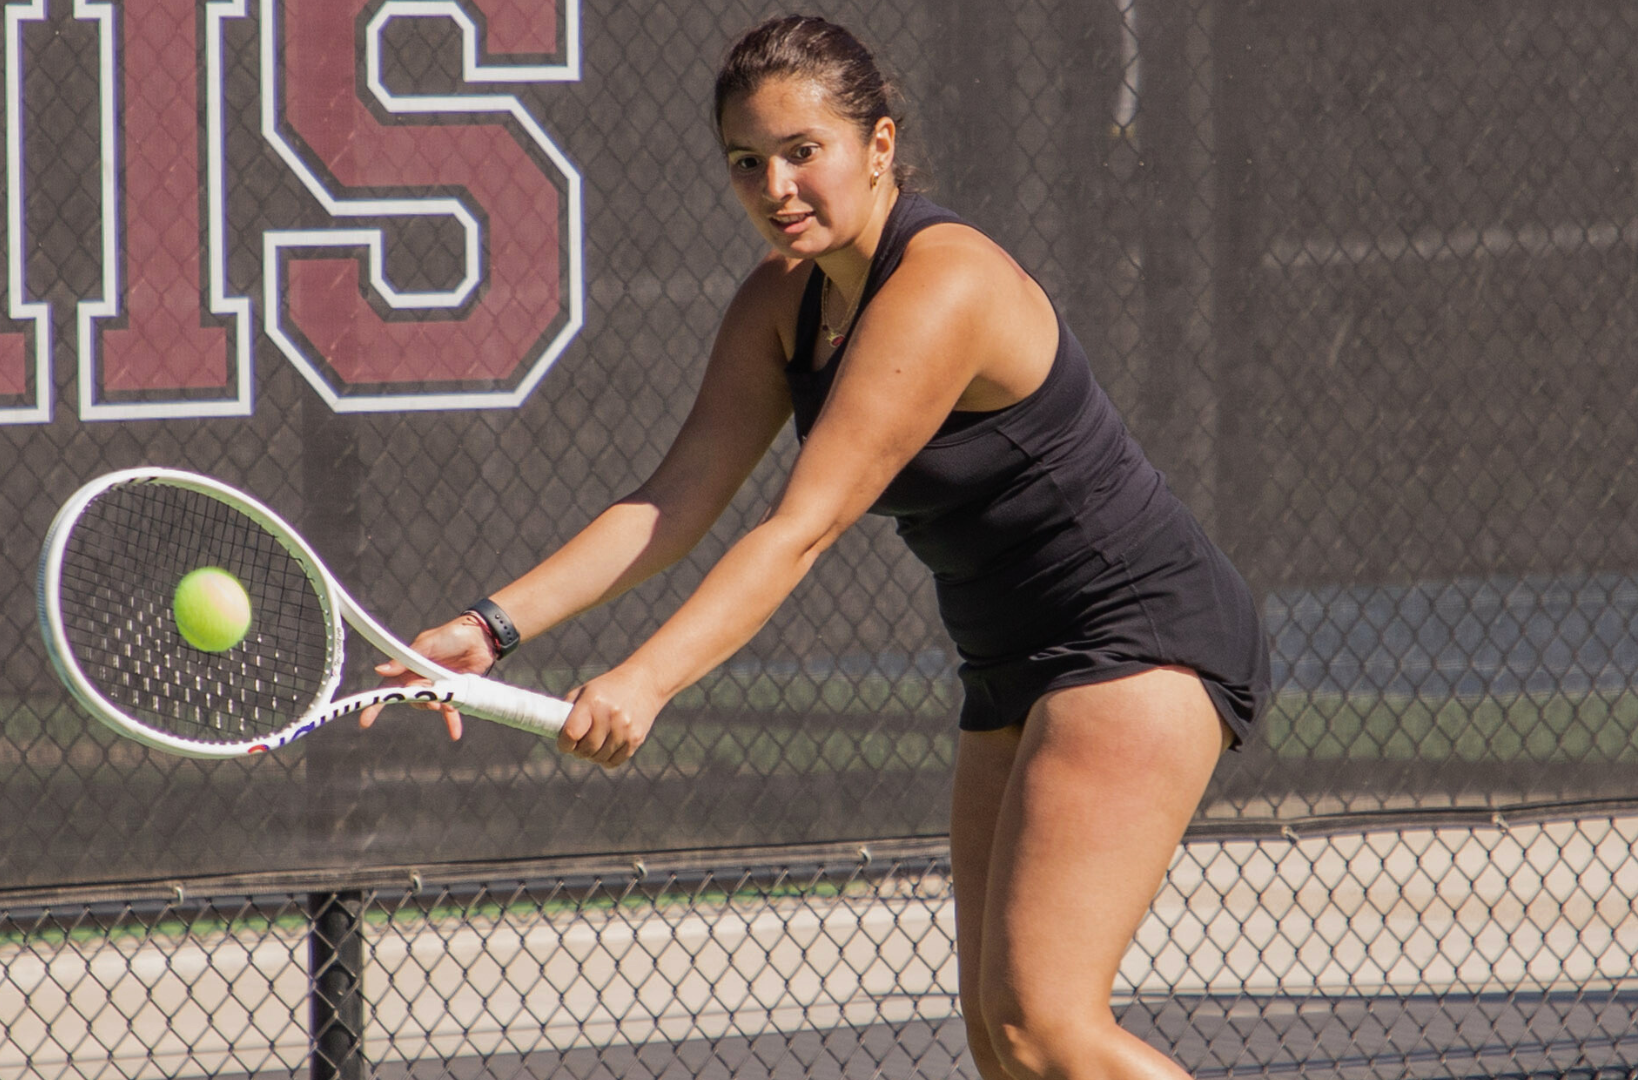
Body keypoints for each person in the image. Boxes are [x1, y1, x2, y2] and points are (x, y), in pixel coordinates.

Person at [363, 14, 1269, 1080]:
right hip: (1009, 661)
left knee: (1046, 1023)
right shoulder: (780, 302)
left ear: (879, 146)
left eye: (804, 151)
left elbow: (801, 529)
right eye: (747, 161)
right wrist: (491, 627)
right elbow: (670, 503)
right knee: (1004, 1045)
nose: (776, 186)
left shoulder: (945, 283)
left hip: (1134, 637)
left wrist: (646, 681)